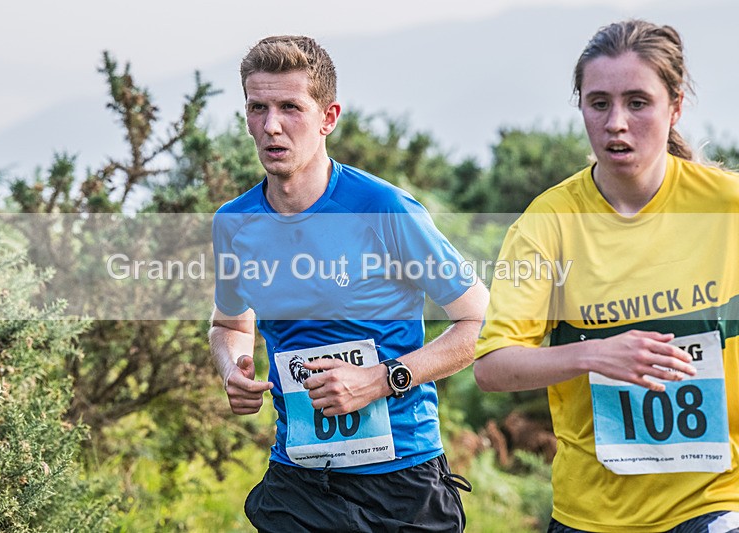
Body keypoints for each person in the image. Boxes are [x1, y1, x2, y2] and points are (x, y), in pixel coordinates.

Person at [209, 35, 489, 532]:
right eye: (258, 108)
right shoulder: (234, 222)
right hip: (300, 483)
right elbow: (229, 324)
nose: (271, 126)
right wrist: (232, 366)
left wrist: (380, 380)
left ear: (328, 117)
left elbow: (479, 322)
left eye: (290, 107)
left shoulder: (384, 208)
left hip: (401, 480)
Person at [474, 19, 739, 533]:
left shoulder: (727, 208)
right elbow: (492, 367)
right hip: (592, 512)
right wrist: (595, 353)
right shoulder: (544, 224)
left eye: (638, 102)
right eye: (599, 103)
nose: (616, 122)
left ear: (675, 106)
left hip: (717, 498)